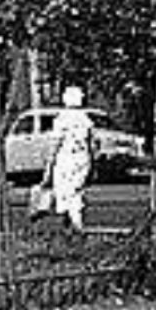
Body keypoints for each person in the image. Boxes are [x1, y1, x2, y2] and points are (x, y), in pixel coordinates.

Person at [45, 85, 97, 233]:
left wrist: (49, 165)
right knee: (76, 192)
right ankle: (72, 226)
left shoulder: (61, 119)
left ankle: (75, 226)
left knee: (65, 193)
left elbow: (55, 144)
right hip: (82, 159)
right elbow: (92, 144)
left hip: (65, 160)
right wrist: (92, 164)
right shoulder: (86, 120)